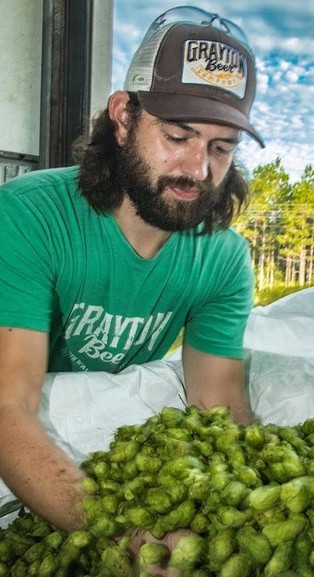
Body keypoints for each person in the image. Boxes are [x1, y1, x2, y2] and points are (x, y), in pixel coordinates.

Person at [0, 5, 264, 537]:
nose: (198, 170)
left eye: (221, 148)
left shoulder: (223, 259)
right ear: (123, 117)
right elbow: (8, 405)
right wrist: (117, 536)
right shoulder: (27, 216)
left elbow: (220, 409)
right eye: (177, 136)